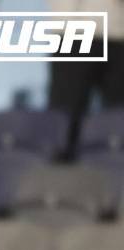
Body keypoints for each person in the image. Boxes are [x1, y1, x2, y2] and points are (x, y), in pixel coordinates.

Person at [48, 0, 124, 156]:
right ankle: (60, 174)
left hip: (118, 33)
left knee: (118, 118)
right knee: (65, 121)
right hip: (71, 30)